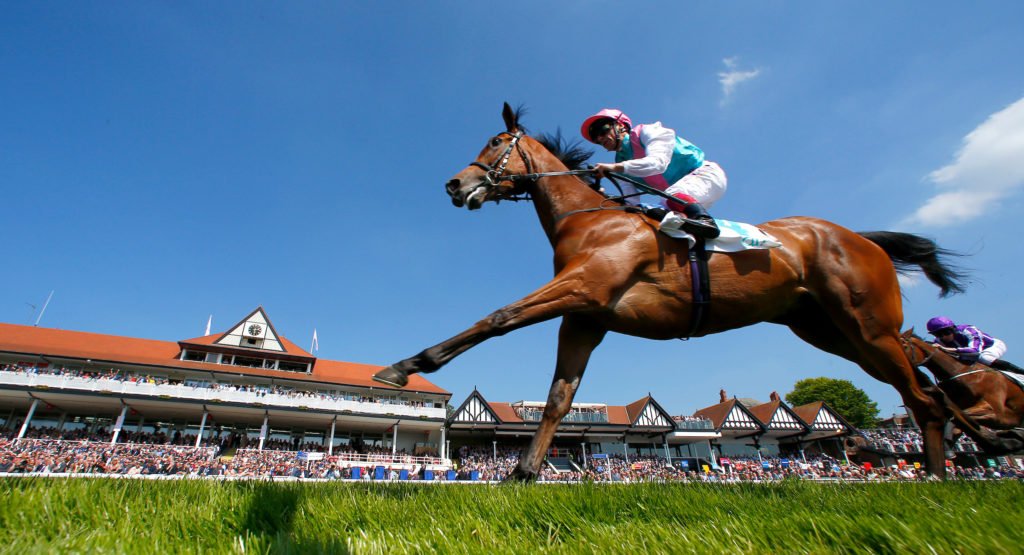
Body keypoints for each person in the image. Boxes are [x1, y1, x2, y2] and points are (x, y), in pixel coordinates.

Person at [580, 108, 726, 239]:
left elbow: (658, 163)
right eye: (595, 138)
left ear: (620, 125)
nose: (600, 138)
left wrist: (616, 168)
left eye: (603, 130)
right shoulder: (620, 163)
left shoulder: (648, 131)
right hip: (678, 199)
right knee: (652, 214)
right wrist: (602, 197)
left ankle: (705, 221)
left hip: (705, 175)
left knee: (672, 195)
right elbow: (632, 204)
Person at [926, 316, 1023, 374]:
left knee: (985, 358)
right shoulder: (938, 342)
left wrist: (948, 349)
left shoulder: (968, 330)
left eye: (946, 332)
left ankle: (1020, 373)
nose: (943, 337)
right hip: (968, 355)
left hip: (990, 347)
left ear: (953, 329)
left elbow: (975, 351)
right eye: (938, 334)